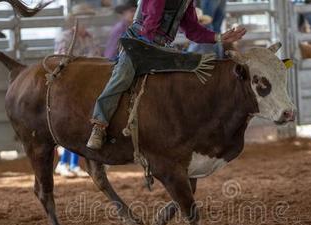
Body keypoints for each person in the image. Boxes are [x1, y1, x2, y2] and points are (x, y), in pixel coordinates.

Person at [86, 0, 247, 150]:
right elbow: (151, 19)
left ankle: (192, 129)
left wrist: (219, 37)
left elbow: (192, 29)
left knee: (193, 72)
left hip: (160, 46)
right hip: (139, 42)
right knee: (122, 77)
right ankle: (99, 125)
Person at [53, 3, 101, 177]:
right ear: (75, 19)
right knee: (70, 125)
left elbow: (97, 58)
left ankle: (71, 164)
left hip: (85, 86)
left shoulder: (90, 37)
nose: (87, 21)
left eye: (88, 18)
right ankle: (65, 163)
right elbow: (61, 61)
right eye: (84, 17)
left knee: (79, 126)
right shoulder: (65, 37)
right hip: (68, 87)